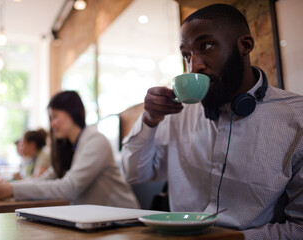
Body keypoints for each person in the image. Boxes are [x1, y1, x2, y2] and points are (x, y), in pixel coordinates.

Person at [122, 4, 303, 239]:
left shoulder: (295, 119)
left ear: (245, 45)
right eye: (186, 55)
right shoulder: (178, 114)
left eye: (205, 46)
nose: (193, 66)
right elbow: (135, 174)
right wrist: (149, 120)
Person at [0, 91, 139, 209]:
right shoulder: (70, 146)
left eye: (55, 117)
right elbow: (47, 178)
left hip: (124, 220)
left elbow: (70, 188)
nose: (52, 124)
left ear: (72, 113)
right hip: (98, 221)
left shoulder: (96, 141)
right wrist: (9, 187)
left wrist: (13, 189)